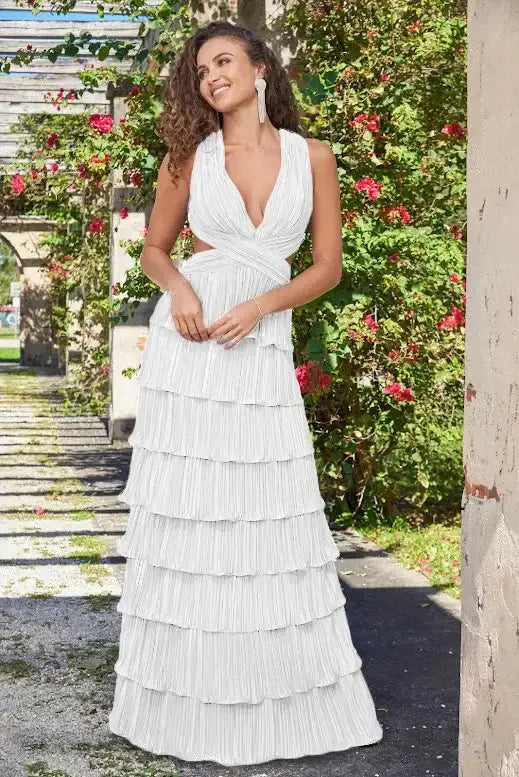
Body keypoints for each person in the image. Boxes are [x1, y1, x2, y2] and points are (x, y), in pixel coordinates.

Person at [108, 18, 384, 767]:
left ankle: (270, 698)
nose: (212, 78)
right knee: (196, 510)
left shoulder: (314, 157)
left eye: (224, 62)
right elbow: (155, 251)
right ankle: (185, 700)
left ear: (261, 67)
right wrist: (184, 297)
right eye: (201, 71)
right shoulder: (185, 159)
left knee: (266, 506)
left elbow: (324, 268)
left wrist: (261, 307)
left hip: (258, 342)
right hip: (192, 343)